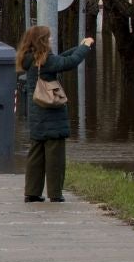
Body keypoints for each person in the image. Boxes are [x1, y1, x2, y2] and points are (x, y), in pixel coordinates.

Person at [14, 25, 94, 202]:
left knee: (36, 154)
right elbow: (69, 63)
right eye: (48, 38)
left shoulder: (30, 59)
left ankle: (32, 192)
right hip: (50, 114)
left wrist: (79, 47)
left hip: (36, 115)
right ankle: (55, 193)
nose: (51, 40)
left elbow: (61, 58)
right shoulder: (45, 60)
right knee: (55, 156)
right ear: (42, 40)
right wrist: (86, 47)